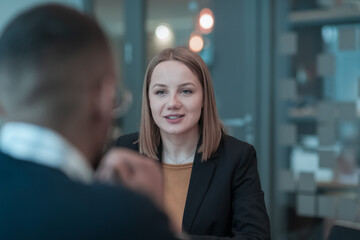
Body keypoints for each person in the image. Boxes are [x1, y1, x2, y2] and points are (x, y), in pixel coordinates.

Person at [0, 4, 180, 240]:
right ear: (105, 98)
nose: (173, 103)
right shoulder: (122, 219)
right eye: (160, 92)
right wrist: (154, 214)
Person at [115, 47, 271, 239]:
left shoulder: (237, 157)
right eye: (161, 92)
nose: (172, 103)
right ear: (148, 99)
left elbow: (255, 237)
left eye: (186, 91)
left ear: (205, 97)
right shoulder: (125, 150)